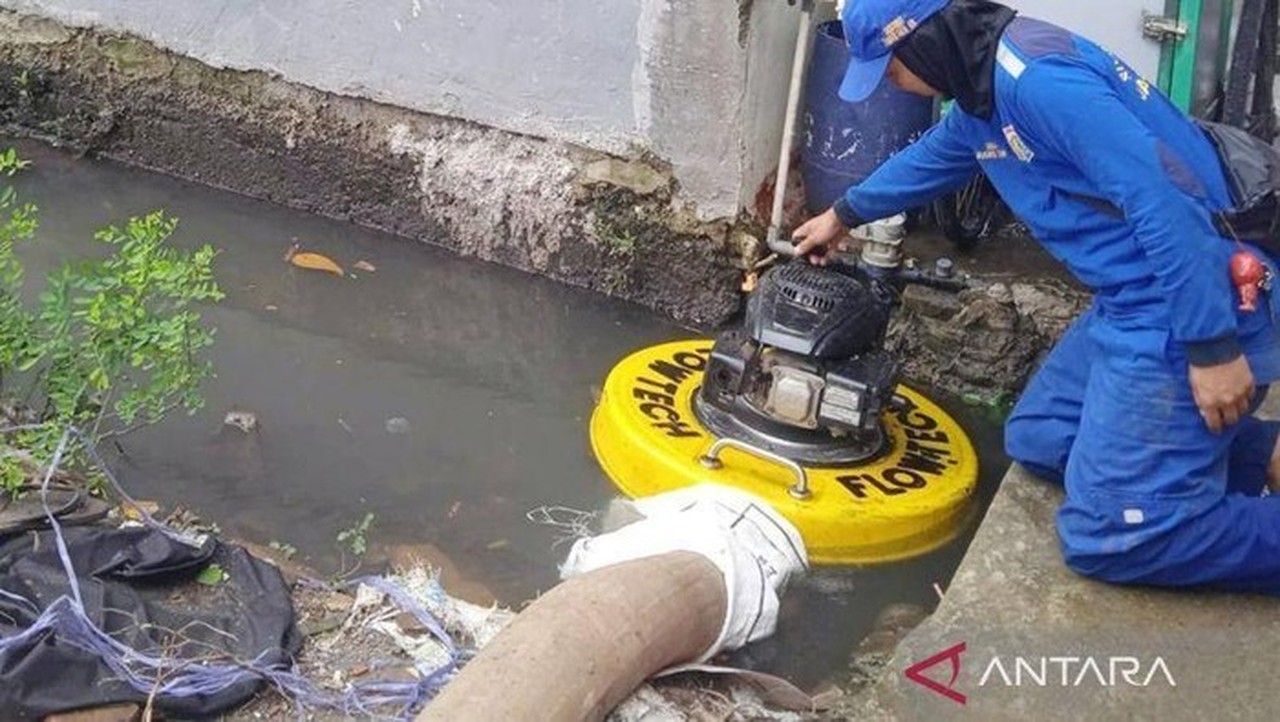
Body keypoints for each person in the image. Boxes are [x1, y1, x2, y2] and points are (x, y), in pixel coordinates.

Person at [792, 0, 1280, 594]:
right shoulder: (981, 92)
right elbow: (937, 156)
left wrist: (1211, 347)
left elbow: (1164, 204)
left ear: (924, 42)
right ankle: (1255, 455)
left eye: (891, 66)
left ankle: (1180, 496)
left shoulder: (1041, 86)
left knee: (1116, 534)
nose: (891, 82)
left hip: (1189, 297)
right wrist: (842, 216)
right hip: (1129, 299)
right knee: (1042, 437)